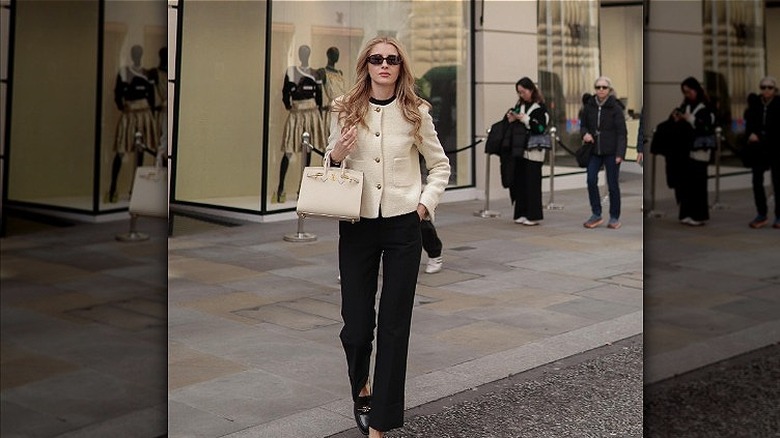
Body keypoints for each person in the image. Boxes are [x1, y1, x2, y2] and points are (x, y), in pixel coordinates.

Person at [326, 36, 450, 437]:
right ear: (366, 65)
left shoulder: (417, 112)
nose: (384, 65)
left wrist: (422, 206)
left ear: (400, 67)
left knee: (396, 324)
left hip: (402, 225)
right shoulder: (345, 109)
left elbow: (440, 165)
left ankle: (381, 419)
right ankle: (361, 385)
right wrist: (338, 154)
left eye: (392, 60)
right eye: (377, 59)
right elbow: (330, 162)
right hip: (358, 223)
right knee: (357, 324)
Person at [108, 44, 158, 203]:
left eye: (139, 52)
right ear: (131, 54)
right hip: (129, 114)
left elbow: (150, 95)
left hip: (143, 114)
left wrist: (150, 112)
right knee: (121, 150)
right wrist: (122, 106)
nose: (137, 55)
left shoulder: (146, 73)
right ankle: (113, 189)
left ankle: (135, 190)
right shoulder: (124, 71)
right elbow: (117, 92)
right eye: (135, 52)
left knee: (140, 152)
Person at [275, 44, 325, 203]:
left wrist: (319, 114)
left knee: (308, 151)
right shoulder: (291, 71)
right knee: (288, 150)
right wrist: (289, 106)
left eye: (306, 52)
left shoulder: (315, 73)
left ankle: (302, 189)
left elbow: (319, 96)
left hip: (311, 113)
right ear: (299, 54)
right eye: (302, 52)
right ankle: (281, 188)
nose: (304, 55)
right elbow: (285, 93)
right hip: (296, 113)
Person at [580, 76, 627, 229]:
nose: (601, 90)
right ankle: (596, 213)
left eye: (604, 87)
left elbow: (622, 132)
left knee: (613, 185)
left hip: (611, 151)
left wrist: (620, 153)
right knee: (591, 179)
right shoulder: (589, 106)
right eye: (598, 87)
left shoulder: (616, 108)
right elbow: (583, 125)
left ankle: (614, 216)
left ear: (609, 89)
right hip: (594, 150)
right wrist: (585, 134)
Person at [669, 76, 715, 226]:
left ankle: (699, 215)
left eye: (689, 91)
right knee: (686, 184)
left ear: (696, 90)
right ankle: (686, 213)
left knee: (698, 184)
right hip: (686, 151)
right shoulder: (686, 105)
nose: (687, 95)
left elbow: (707, 126)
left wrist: (690, 119)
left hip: (700, 151)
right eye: (685, 92)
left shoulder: (706, 106)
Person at [506, 77, 549, 226]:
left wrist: (525, 119)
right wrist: (511, 117)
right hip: (520, 151)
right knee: (520, 183)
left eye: (523, 92)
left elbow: (541, 128)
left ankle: (533, 215)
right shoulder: (520, 105)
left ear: (531, 90)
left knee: (532, 184)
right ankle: (521, 212)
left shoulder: (540, 108)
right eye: (519, 92)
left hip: (534, 152)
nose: (521, 95)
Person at [743, 76, 780, 229]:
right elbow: (749, 124)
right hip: (758, 149)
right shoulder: (755, 105)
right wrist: (750, 134)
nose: (766, 90)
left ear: (775, 90)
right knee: (756, 181)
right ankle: (761, 214)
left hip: (776, 147)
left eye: (769, 87)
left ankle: (779, 215)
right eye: (763, 87)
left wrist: (764, 136)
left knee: (778, 182)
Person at [318, 46, 347, 139]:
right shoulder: (323, 72)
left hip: (343, 108)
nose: (336, 56)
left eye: (337, 54)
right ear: (328, 55)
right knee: (330, 135)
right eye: (334, 54)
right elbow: (319, 92)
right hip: (331, 108)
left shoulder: (340, 73)